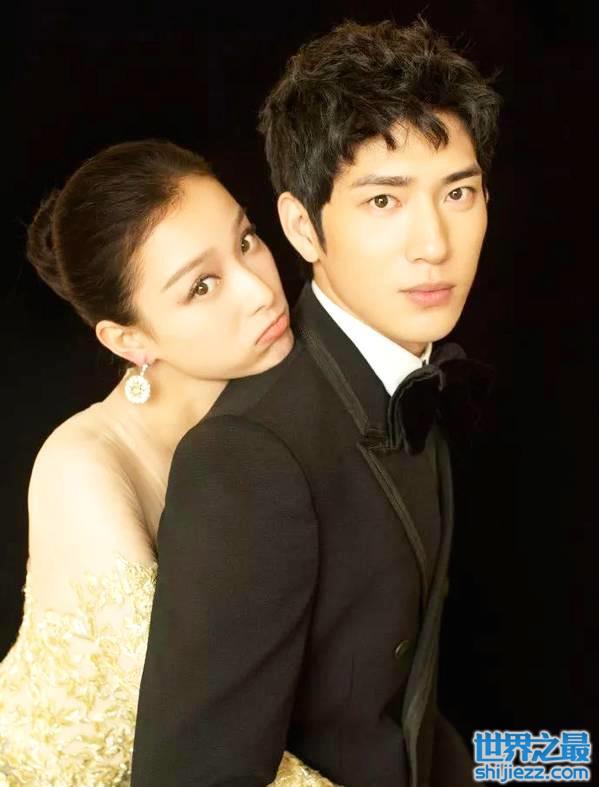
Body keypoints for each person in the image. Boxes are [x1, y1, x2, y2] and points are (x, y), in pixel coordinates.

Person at [131, 18, 502, 787]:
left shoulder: (407, 373)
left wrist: (545, 766)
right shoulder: (248, 458)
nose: (433, 243)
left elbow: (404, 714)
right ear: (302, 226)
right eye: (382, 200)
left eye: (458, 192)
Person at [0, 140, 333, 786]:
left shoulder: (290, 398)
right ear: (130, 339)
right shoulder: (84, 468)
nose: (260, 290)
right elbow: (196, 736)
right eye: (201, 286)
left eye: (246, 241)